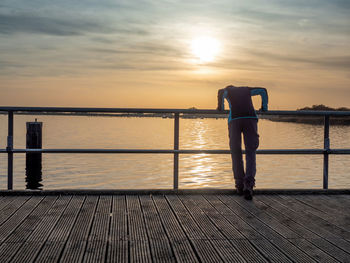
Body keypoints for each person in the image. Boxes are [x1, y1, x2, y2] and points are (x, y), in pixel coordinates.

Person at [217, 85, 268, 200]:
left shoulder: (227, 90)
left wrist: (220, 107)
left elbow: (220, 93)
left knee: (236, 152)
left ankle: (239, 185)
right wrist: (264, 108)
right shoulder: (247, 90)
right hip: (250, 118)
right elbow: (263, 91)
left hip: (234, 120)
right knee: (250, 152)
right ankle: (248, 186)